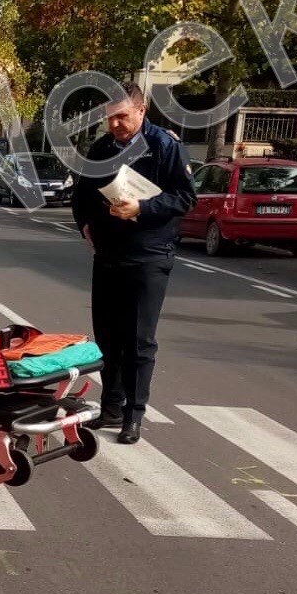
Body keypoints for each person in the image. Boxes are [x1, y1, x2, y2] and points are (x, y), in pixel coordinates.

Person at [71, 81, 197, 445]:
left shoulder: (164, 146)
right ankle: (110, 407)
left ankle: (133, 415)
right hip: (108, 255)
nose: (115, 125)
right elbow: (82, 194)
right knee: (108, 339)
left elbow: (186, 197)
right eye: (109, 118)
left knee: (139, 340)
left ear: (141, 111)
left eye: (122, 116)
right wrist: (85, 225)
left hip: (149, 255)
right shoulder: (100, 149)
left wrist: (143, 207)